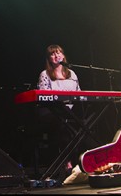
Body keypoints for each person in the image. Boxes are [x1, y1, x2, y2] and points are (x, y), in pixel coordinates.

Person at [36, 44, 89, 185]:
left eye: (59, 53)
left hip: (69, 112)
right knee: (63, 124)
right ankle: (67, 163)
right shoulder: (45, 74)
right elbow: (44, 97)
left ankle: (81, 163)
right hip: (52, 112)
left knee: (81, 124)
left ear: (63, 56)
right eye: (53, 54)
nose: (56, 56)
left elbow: (79, 95)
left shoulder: (72, 74)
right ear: (49, 58)